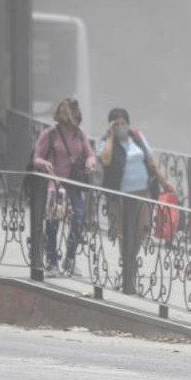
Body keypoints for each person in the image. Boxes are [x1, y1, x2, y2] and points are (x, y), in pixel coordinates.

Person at [32, 98, 97, 276]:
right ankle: (52, 261)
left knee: (78, 218)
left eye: (71, 114)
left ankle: (70, 260)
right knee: (53, 221)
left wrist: (91, 163)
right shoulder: (50, 134)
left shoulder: (79, 133)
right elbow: (36, 157)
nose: (68, 119)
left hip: (73, 184)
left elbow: (90, 154)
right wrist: (44, 163)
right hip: (55, 183)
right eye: (64, 113)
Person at [98, 108, 174, 244]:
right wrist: (110, 137)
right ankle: (128, 263)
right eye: (117, 125)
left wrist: (164, 183)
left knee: (144, 228)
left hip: (143, 192)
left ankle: (130, 260)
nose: (121, 127)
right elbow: (105, 160)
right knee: (123, 232)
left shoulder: (137, 137)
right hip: (119, 194)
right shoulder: (106, 140)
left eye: (123, 123)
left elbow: (151, 162)